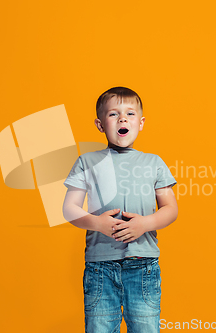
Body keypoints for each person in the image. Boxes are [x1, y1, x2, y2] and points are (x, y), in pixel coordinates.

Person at [62, 86, 178, 332]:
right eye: (114, 114)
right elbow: (69, 208)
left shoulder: (153, 162)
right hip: (100, 268)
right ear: (100, 124)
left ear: (141, 122)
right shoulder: (87, 161)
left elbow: (170, 208)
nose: (122, 119)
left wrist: (145, 224)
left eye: (130, 114)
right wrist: (97, 224)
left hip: (143, 265)